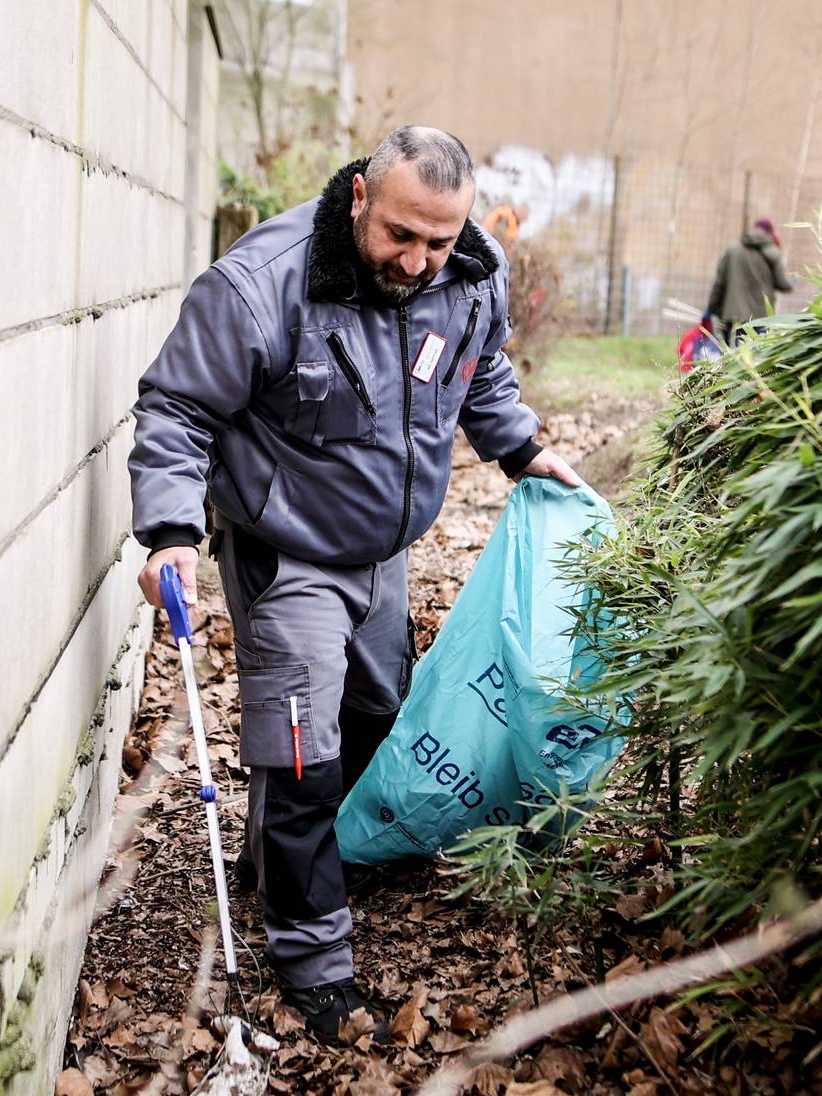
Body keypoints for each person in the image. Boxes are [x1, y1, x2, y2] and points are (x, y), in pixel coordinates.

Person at [127, 125, 584, 1043]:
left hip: (385, 552)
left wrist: (525, 450)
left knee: (380, 716)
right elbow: (177, 407)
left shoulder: (469, 274)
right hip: (288, 549)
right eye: (401, 236)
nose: (417, 261)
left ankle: (304, 860)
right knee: (301, 750)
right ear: (361, 199)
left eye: (439, 242)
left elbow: (476, 370)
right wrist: (171, 531)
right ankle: (311, 954)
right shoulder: (261, 286)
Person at [702, 217, 795, 342]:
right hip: (762, 318)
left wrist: (711, 309)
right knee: (758, 358)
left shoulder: (732, 250)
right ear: (770, 232)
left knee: (733, 357)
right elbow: (783, 285)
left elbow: (719, 284)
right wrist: (793, 283)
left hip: (734, 316)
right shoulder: (773, 252)